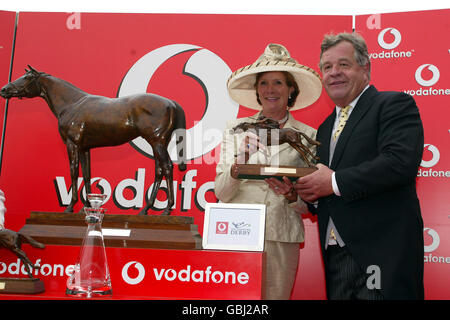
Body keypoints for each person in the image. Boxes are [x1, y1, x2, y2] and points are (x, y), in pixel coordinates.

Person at [292, 32, 425, 299]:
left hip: (382, 254)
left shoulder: (393, 104)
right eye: (327, 67)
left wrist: (330, 182)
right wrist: (307, 194)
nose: (334, 73)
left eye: (343, 64)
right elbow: (328, 186)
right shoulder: (324, 128)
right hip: (336, 257)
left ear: (365, 68)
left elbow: (400, 163)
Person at [214, 43, 322, 300]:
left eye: (278, 83)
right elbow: (221, 193)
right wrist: (241, 159)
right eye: (263, 83)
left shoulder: (309, 135)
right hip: (236, 233)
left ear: (291, 89)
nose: (270, 90)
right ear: (256, 90)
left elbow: (312, 203)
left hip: (281, 235)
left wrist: (292, 197)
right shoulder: (235, 128)